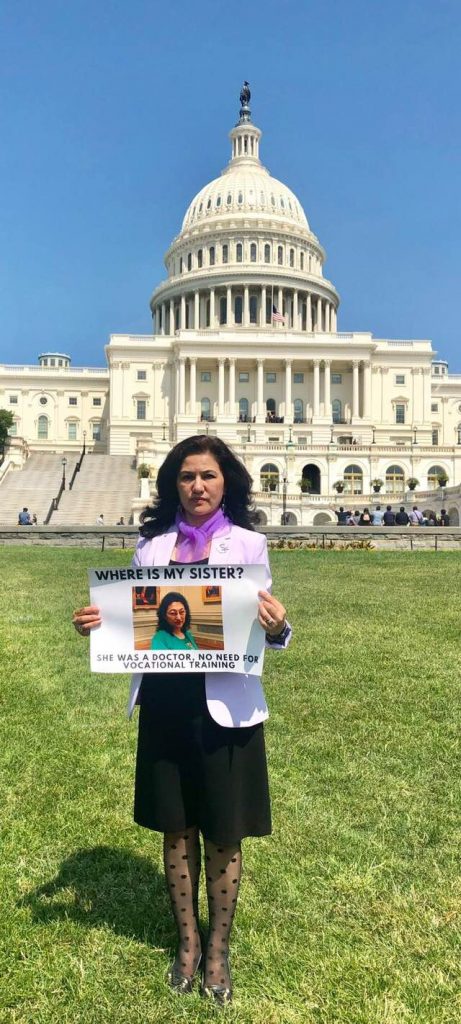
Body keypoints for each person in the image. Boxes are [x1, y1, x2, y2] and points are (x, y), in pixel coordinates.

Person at [72, 435, 290, 1005]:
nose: (197, 486)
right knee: (177, 828)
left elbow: (267, 631)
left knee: (223, 829)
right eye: (187, 476)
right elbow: (133, 620)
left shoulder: (248, 545)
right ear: (174, 483)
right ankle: (187, 944)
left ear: (227, 484)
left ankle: (218, 951)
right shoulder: (151, 547)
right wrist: (99, 624)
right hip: (166, 701)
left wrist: (277, 627)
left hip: (226, 706)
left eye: (209, 477)